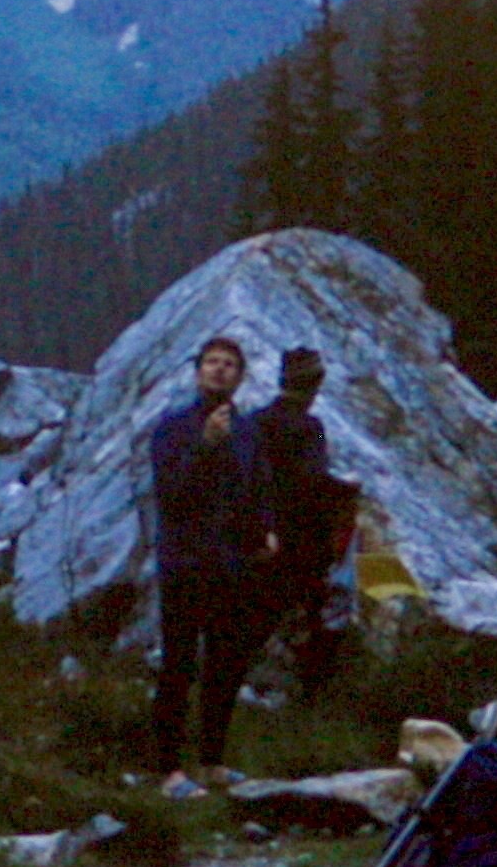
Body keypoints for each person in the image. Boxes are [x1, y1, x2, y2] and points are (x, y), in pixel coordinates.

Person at [143, 334, 273, 795]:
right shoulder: (173, 428)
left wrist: (264, 532)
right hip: (185, 560)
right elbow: (171, 495)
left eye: (229, 364)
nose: (219, 370)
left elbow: (256, 486)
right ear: (197, 372)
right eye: (211, 362)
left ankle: (212, 760)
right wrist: (204, 446)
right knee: (179, 663)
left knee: (226, 663)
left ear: (240, 377)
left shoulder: (247, 429)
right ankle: (167, 768)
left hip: (233, 562)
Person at [250, 346, 359, 704]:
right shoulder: (311, 427)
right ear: (316, 385)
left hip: (259, 534)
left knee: (261, 613)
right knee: (313, 616)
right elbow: (313, 480)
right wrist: (346, 490)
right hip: (304, 539)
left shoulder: (255, 422)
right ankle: (309, 693)